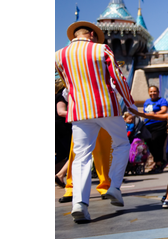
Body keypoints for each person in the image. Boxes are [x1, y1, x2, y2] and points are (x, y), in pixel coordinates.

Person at [55, 21, 137, 222]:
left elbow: (67, 85)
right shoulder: (101, 49)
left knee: (81, 156)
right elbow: (118, 79)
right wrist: (131, 104)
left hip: (79, 111)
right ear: (91, 34)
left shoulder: (58, 56)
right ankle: (114, 187)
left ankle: (79, 203)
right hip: (105, 107)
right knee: (121, 144)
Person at [143, 86, 168, 173]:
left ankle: (159, 163)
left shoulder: (162, 101)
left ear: (158, 92)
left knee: (156, 142)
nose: (152, 93)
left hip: (159, 124)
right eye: (151, 91)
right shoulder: (147, 101)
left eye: (154, 91)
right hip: (148, 125)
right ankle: (158, 161)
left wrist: (154, 114)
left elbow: (164, 110)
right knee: (148, 142)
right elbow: (145, 112)